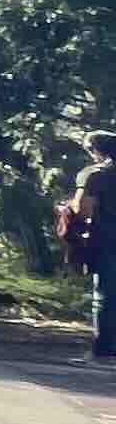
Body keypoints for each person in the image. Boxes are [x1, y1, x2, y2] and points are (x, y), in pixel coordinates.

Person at [71, 134, 116, 363]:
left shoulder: (95, 174)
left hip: (108, 239)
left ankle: (104, 350)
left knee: (105, 296)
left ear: (95, 150)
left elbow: (83, 208)